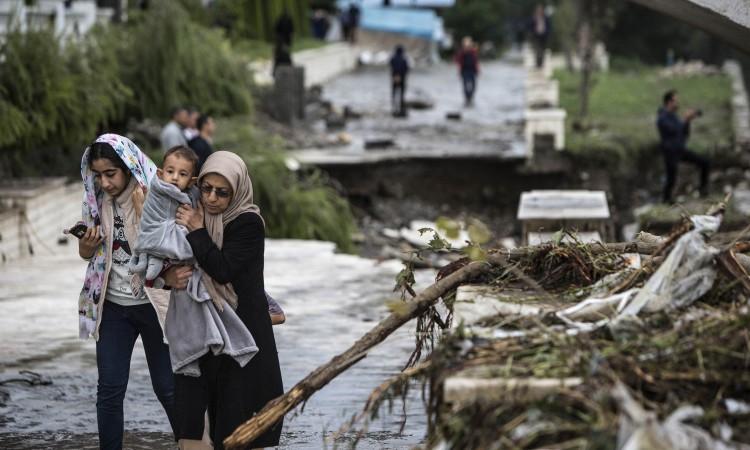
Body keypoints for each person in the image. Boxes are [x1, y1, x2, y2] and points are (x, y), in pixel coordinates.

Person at [172, 151, 284, 449]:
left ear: (237, 191)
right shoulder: (194, 212)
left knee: (243, 420)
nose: (211, 198)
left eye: (222, 193)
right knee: (209, 416)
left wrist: (197, 230)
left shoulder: (247, 223)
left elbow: (222, 270)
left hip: (243, 330)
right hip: (209, 329)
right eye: (206, 188)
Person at [76, 134, 176, 450]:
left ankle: (194, 444)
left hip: (154, 303)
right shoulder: (94, 200)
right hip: (114, 307)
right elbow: (88, 255)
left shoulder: (156, 195)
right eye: (98, 174)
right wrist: (86, 246)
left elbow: (167, 255)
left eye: (111, 174)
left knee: (168, 387)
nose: (104, 182)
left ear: (129, 167)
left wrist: (144, 213)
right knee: (109, 388)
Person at [656, 90, 710, 203]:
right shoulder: (662, 118)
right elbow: (673, 130)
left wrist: (688, 121)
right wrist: (685, 119)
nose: (677, 104)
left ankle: (703, 189)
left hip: (680, 150)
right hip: (670, 152)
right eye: (675, 101)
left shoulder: (674, 117)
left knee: (705, 162)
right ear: (669, 102)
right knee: (671, 178)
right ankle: (666, 200)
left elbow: (684, 134)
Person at [455, 36, 479, 106]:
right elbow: (457, 60)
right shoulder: (461, 52)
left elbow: (476, 61)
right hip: (464, 71)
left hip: (472, 70)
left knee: (474, 85)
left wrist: (477, 70)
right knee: (465, 85)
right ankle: (467, 98)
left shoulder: (473, 52)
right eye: (466, 44)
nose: (467, 46)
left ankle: (470, 96)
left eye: (468, 44)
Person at [389, 45, 409, 117]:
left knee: (394, 93)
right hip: (402, 79)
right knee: (402, 95)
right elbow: (407, 69)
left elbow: (391, 65)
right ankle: (401, 107)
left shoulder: (393, 58)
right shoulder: (404, 59)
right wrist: (401, 76)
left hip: (395, 78)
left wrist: (396, 75)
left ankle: (394, 107)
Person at [529, 4, 550, 69]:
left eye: (540, 10)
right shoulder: (534, 18)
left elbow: (549, 26)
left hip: (544, 36)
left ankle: (541, 63)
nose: (539, 11)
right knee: (537, 50)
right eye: (538, 10)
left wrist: (548, 33)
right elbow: (530, 26)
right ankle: (537, 63)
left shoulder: (545, 18)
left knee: (543, 50)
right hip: (536, 36)